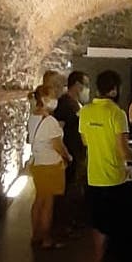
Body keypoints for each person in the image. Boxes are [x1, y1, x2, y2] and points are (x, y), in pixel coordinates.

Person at [79, 70, 132, 262]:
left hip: (93, 175)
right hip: (114, 177)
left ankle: (97, 260)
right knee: (115, 222)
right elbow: (123, 151)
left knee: (98, 220)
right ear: (114, 89)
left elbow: (85, 141)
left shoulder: (86, 111)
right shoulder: (117, 113)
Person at [27, 83, 72, 249]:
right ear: (45, 99)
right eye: (53, 96)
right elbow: (57, 145)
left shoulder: (33, 117)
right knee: (48, 203)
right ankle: (46, 239)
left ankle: (35, 234)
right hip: (50, 164)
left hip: (38, 163)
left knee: (39, 199)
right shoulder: (50, 121)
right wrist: (68, 157)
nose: (55, 100)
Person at [55, 70, 91, 233]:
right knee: (68, 189)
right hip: (70, 153)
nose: (86, 89)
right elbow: (58, 130)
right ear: (77, 85)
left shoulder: (76, 104)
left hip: (78, 152)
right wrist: (63, 154)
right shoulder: (64, 104)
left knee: (76, 188)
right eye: (85, 85)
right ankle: (64, 224)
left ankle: (74, 220)